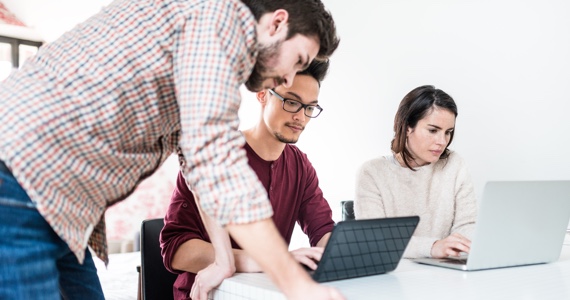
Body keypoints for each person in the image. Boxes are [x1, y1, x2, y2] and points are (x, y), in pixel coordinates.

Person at [0, 0, 342, 299]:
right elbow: (217, 166)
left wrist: (224, 259)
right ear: (277, 23)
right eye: (297, 60)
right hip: (20, 177)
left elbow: (198, 166)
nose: (288, 78)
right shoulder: (217, 22)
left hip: (58, 206)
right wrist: (296, 284)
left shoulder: (198, 51)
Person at [161, 59, 335, 300]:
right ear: (262, 95)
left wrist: (337, 255)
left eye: (309, 108)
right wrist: (267, 260)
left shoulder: (300, 166)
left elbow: (323, 231)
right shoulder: (214, 154)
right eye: (292, 102)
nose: (301, 118)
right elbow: (177, 250)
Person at [354, 85, 477, 259]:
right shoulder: (372, 173)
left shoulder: (454, 164)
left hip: (447, 272)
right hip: (394, 277)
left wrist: (457, 248)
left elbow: (468, 225)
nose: (442, 141)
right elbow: (376, 241)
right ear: (407, 127)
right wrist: (433, 247)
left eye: (448, 132)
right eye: (433, 130)